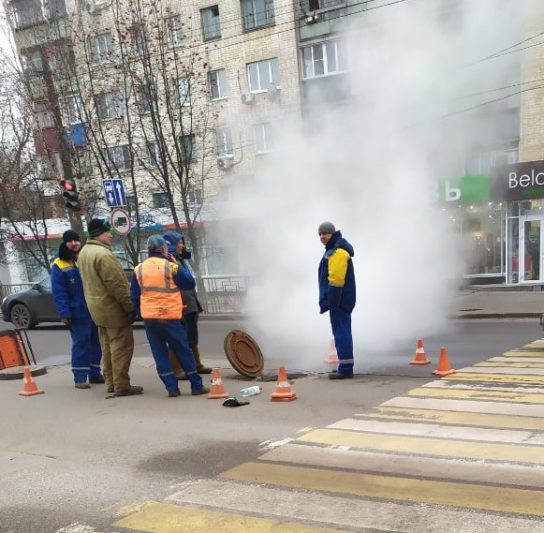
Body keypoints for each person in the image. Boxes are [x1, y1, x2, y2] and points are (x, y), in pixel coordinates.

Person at [130, 235, 209, 397]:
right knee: (183, 350)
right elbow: (189, 283)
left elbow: (134, 297)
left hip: (150, 319)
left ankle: (171, 388)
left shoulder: (139, 269)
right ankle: (196, 386)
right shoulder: (170, 266)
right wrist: (175, 263)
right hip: (170, 316)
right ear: (164, 249)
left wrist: (141, 313)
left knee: (159, 353)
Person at [77, 218, 142, 397]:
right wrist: (130, 307)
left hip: (97, 309)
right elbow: (118, 286)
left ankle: (111, 383)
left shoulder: (84, 252)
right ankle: (122, 385)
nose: (111, 235)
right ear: (99, 234)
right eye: (107, 232)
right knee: (121, 347)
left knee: (107, 347)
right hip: (112, 309)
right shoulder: (104, 255)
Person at [51, 230, 104, 389]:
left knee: (96, 342)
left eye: (76, 240)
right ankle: (80, 377)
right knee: (81, 343)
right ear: (65, 243)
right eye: (70, 241)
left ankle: (94, 373)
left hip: (92, 308)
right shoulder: (59, 264)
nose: (74, 243)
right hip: (76, 311)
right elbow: (59, 292)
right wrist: (64, 313)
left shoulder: (84, 258)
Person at [162, 231, 212, 377]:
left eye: (182, 243)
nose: (182, 246)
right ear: (171, 245)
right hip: (179, 304)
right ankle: (176, 369)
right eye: (179, 243)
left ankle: (196, 365)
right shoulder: (170, 262)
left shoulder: (180, 260)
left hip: (189, 302)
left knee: (192, 337)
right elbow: (179, 279)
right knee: (178, 339)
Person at [318, 221, 356, 379]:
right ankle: (345, 366)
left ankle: (346, 369)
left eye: (325, 233)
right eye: (320, 234)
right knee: (341, 332)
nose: (322, 236)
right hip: (340, 300)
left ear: (332, 233)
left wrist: (332, 303)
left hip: (339, 301)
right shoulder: (334, 249)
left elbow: (336, 280)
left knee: (341, 334)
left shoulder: (337, 252)